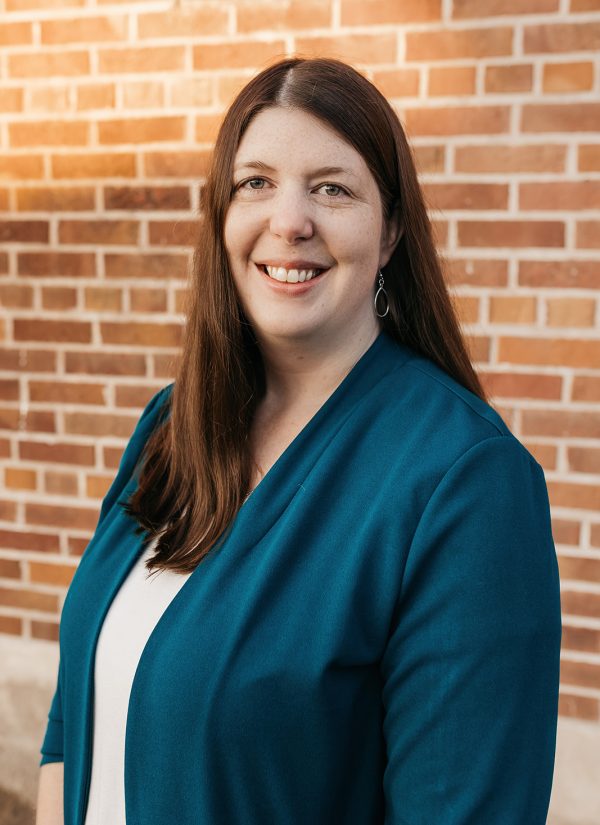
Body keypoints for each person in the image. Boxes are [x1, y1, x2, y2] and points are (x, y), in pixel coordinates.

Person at [36, 56, 562, 825]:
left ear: (390, 233)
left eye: (332, 188)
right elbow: (73, 717)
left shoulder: (465, 482)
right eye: (255, 182)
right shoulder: (172, 423)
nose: (289, 221)